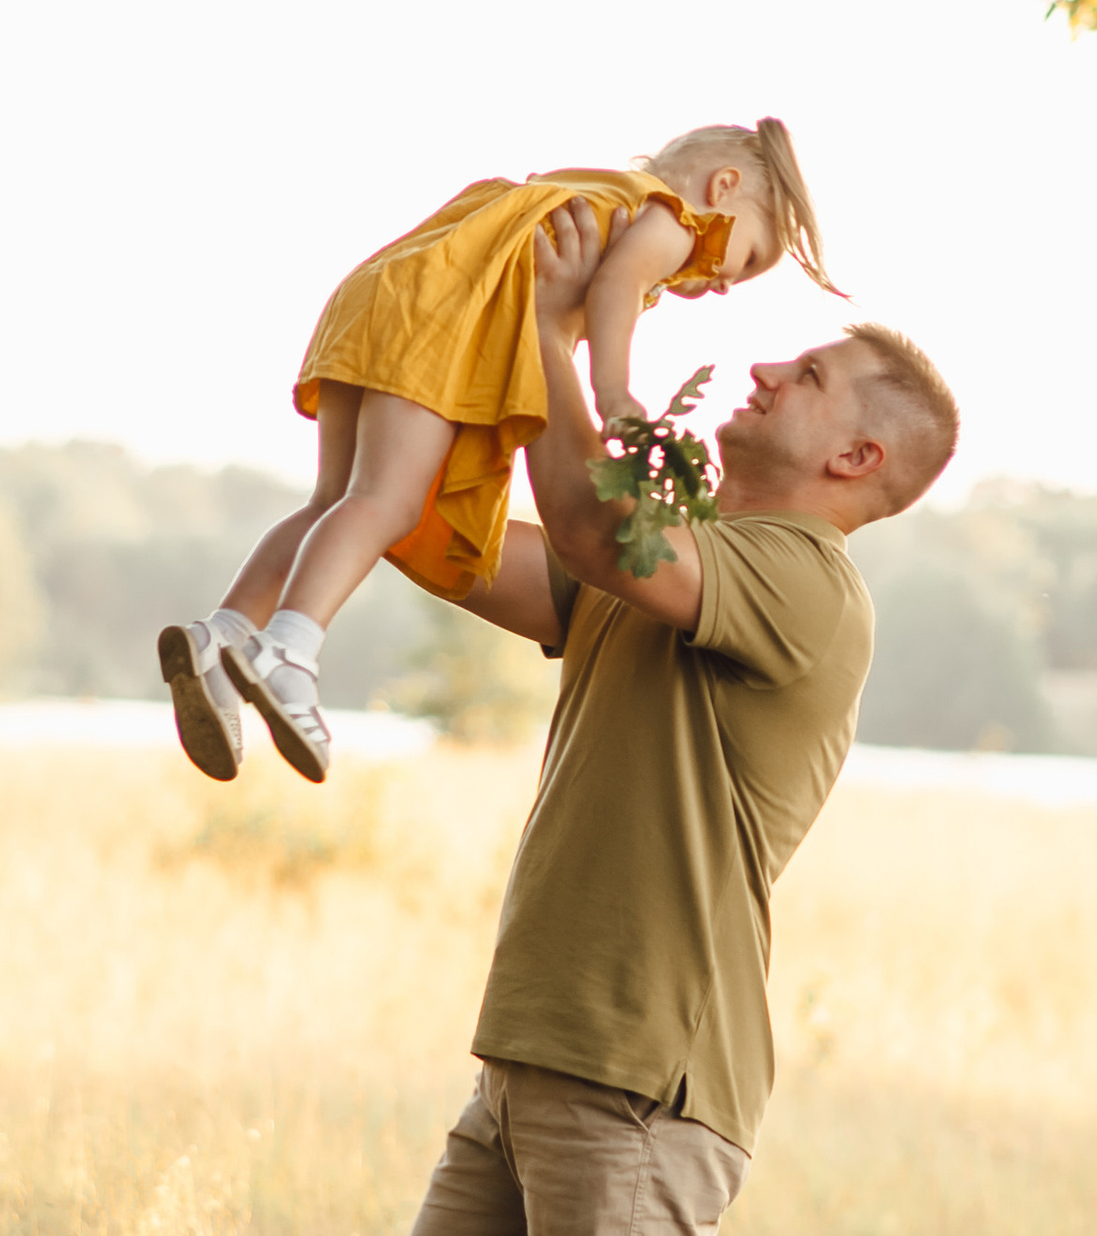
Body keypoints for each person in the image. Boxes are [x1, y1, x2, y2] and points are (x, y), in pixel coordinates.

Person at [357, 195, 958, 1236]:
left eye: (806, 368)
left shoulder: (798, 583)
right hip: (546, 1046)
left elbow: (609, 525)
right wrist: (420, 401)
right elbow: (459, 548)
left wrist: (588, 322)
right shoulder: (672, 559)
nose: (763, 365)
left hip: (648, 1067)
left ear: (853, 456)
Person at [158, 122, 837, 787]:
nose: (727, 282)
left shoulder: (595, 193)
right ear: (723, 188)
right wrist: (612, 391)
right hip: (439, 316)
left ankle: (222, 637)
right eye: (748, 258)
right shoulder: (671, 218)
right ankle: (289, 648)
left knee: (335, 501)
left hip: (386, 293)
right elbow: (618, 285)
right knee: (386, 503)